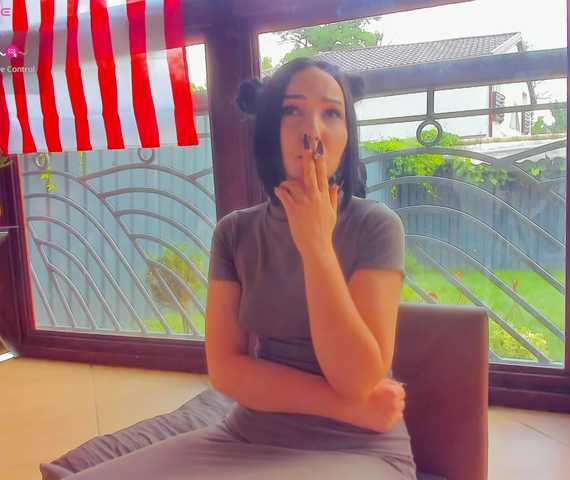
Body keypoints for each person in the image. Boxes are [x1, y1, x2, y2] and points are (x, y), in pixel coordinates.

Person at [65, 58, 416, 479]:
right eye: (292, 110)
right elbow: (227, 369)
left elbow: (357, 378)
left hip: (358, 447)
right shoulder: (235, 232)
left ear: (347, 135)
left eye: (331, 113)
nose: (313, 130)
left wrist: (316, 246)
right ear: (267, 128)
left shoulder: (375, 225)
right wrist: (350, 408)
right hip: (250, 432)